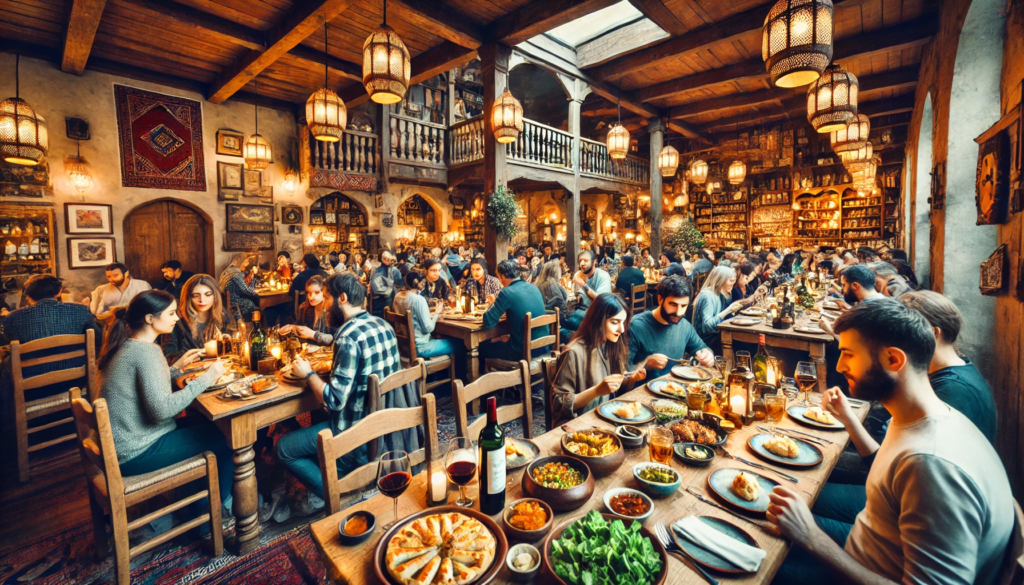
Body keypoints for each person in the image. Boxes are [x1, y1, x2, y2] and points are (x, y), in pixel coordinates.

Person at [770, 299, 1013, 585]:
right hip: (866, 548)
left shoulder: (930, 463)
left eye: (848, 354)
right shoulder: (921, 417)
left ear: (894, 360)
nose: (839, 365)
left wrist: (811, 538)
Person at [277, 274, 419, 512]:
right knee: (317, 420)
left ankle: (340, 492)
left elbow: (333, 400)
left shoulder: (348, 337)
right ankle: (336, 472)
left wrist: (308, 373)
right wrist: (314, 336)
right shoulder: (382, 324)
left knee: (284, 448)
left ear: (341, 298)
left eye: (327, 297)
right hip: (386, 431)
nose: (323, 304)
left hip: (356, 435)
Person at [99, 290, 234, 523]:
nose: (177, 318)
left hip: (122, 443)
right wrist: (208, 377)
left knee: (205, 423)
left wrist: (177, 368)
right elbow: (162, 409)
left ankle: (196, 500)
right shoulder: (147, 352)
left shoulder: (129, 345)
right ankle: (214, 515)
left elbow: (146, 385)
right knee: (225, 440)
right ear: (150, 319)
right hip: (135, 453)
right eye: (171, 313)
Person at [900, 291, 997, 443]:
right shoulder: (956, 365)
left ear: (932, 333)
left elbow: (919, 454)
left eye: (901, 333)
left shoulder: (952, 389)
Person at [3, 275, 101, 408]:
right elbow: (98, 339)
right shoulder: (81, 311)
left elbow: (12, 344)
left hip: (32, 386)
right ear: (59, 291)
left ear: (27, 294)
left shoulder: (13, 318)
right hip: (76, 381)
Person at [551, 294, 647, 425]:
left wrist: (632, 379)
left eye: (623, 322)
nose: (621, 329)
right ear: (597, 320)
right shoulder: (574, 352)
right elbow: (559, 403)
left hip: (606, 420)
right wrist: (597, 391)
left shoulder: (612, 344)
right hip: (580, 426)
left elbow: (617, 391)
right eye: (614, 322)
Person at [628, 276, 715, 378]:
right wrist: (646, 364)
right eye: (673, 305)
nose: (678, 312)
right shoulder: (635, 326)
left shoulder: (684, 326)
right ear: (660, 299)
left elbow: (702, 348)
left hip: (674, 389)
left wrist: (708, 355)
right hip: (639, 392)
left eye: (683, 306)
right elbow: (621, 372)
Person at [480, 260, 549, 362]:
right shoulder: (534, 287)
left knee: (482, 347)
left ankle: (492, 377)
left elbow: (488, 321)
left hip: (521, 352)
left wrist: (491, 304)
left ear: (502, 276)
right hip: (543, 347)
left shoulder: (507, 292)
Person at [393, 271, 461, 364]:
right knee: (459, 344)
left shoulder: (403, 298)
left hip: (409, 346)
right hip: (423, 347)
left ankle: (440, 375)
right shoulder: (419, 299)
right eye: (423, 282)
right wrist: (437, 313)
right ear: (418, 283)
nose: (424, 284)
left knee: (440, 336)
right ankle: (460, 377)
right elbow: (428, 328)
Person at [164, 274, 235, 363]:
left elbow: (229, 352)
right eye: (195, 295)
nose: (202, 300)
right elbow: (168, 355)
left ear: (215, 296)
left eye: (208, 294)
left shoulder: (222, 316)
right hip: (187, 372)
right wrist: (200, 354)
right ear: (188, 297)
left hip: (215, 368)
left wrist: (226, 343)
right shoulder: (176, 320)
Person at [819, 265, 885, 340]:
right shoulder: (882, 299)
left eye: (844, 285)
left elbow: (852, 344)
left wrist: (827, 327)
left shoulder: (865, 310)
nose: (843, 290)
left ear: (855, 286)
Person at [691, 266, 748, 353]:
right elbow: (708, 326)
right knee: (744, 344)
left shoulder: (721, 294)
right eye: (731, 281)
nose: (733, 284)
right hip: (706, 342)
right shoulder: (707, 295)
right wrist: (728, 310)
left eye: (734, 281)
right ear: (720, 280)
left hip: (717, 337)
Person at [564, 250, 612, 332]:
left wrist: (583, 284)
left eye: (585, 260)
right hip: (582, 312)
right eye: (580, 261)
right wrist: (578, 297)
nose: (582, 263)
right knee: (561, 324)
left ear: (594, 262)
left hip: (597, 316)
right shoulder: (579, 275)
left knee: (562, 324)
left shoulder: (603, 276)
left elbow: (602, 300)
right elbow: (575, 293)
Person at [86, 262, 152, 316]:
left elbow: (149, 306)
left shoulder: (142, 285)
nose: (112, 279)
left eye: (115, 275)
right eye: (109, 276)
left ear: (126, 274)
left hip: (136, 322)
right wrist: (87, 307)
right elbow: (94, 312)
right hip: (109, 324)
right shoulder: (101, 289)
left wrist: (121, 308)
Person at [219, 253, 259, 321]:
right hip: (233, 302)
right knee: (250, 303)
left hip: (225, 301)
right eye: (246, 262)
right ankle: (249, 324)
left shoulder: (229, 270)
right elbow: (247, 291)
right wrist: (256, 291)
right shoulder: (236, 274)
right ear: (239, 262)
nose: (247, 265)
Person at [534, 260, 569, 324]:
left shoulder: (537, 284)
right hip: (557, 321)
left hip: (542, 320)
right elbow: (563, 302)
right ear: (554, 272)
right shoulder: (553, 283)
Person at [369, 250, 401, 318]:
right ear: (382, 259)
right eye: (386, 259)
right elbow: (377, 289)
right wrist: (391, 289)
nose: (388, 260)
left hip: (389, 303)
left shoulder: (391, 269)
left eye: (389, 259)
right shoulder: (377, 271)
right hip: (379, 305)